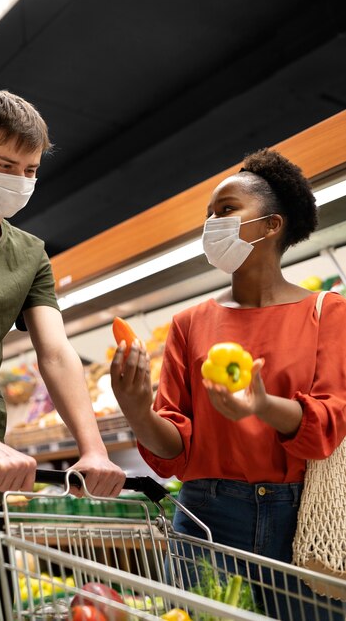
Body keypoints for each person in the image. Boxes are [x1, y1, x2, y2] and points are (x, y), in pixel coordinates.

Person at [110, 148, 346, 619]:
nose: (211, 224)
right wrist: (138, 410)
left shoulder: (329, 314)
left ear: (271, 226)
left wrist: (263, 405)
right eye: (208, 215)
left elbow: (328, 423)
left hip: (301, 521)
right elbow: (175, 448)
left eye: (226, 211)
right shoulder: (189, 323)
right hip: (204, 517)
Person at [0, 89, 125, 620]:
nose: (19, 180)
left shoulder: (31, 254)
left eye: (31, 168)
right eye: (5, 164)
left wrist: (94, 450)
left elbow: (56, 353)